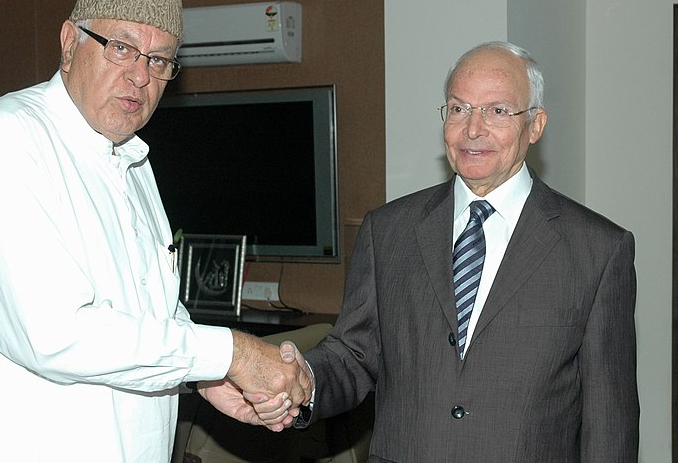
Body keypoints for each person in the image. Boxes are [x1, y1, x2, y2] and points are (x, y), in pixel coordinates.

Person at [0, 0, 309, 463]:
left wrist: (205, 376)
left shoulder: (133, 161)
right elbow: (50, 334)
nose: (141, 76)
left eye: (160, 59)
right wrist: (229, 354)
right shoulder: (10, 137)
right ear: (69, 43)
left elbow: (149, 314)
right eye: (121, 48)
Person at [253, 41, 640, 460]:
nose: (474, 129)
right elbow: (355, 355)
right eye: (459, 108)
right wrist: (302, 380)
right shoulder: (388, 231)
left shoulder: (597, 251)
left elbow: (609, 424)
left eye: (497, 111)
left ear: (535, 125)